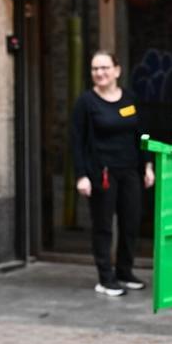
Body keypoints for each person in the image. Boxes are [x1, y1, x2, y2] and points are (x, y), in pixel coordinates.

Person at [70, 50, 154, 297]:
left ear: (117, 70)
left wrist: (147, 165)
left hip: (130, 171)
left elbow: (142, 134)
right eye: (95, 69)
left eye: (105, 68)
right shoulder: (86, 102)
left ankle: (124, 272)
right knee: (103, 226)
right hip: (101, 173)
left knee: (131, 222)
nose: (100, 73)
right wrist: (82, 175)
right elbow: (77, 142)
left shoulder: (129, 99)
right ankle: (105, 278)